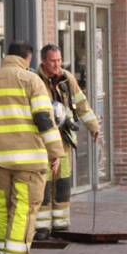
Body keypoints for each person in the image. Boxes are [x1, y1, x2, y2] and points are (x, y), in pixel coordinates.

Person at [0, 41, 65, 254]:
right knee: (23, 207)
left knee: (1, 206)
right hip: (28, 162)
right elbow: (44, 119)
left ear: (6, 57)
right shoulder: (31, 80)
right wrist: (55, 154)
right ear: (28, 58)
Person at [36, 43, 100, 237]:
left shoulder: (66, 78)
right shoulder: (35, 80)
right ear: (43, 61)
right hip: (43, 141)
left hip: (63, 138)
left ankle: (61, 224)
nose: (57, 65)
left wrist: (93, 127)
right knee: (44, 184)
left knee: (63, 182)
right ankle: (42, 227)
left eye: (59, 60)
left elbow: (81, 104)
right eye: (53, 61)